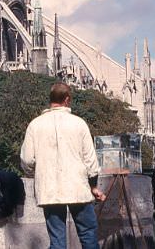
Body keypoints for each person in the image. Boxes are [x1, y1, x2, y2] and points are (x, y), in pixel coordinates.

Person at [20, 82, 106, 249]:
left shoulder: (35, 125)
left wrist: (38, 173)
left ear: (50, 99)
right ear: (67, 100)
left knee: (57, 241)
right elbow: (91, 161)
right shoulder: (79, 123)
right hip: (78, 188)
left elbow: (27, 159)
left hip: (49, 190)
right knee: (88, 236)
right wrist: (93, 186)